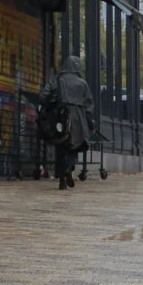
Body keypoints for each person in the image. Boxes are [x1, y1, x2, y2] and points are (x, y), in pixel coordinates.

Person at [37, 55, 94, 190]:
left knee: (60, 147)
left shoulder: (55, 80)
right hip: (77, 118)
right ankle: (69, 167)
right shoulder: (82, 83)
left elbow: (42, 96)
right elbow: (89, 104)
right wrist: (90, 122)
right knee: (75, 144)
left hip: (58, 117)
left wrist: (52, 103)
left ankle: (62, 181)